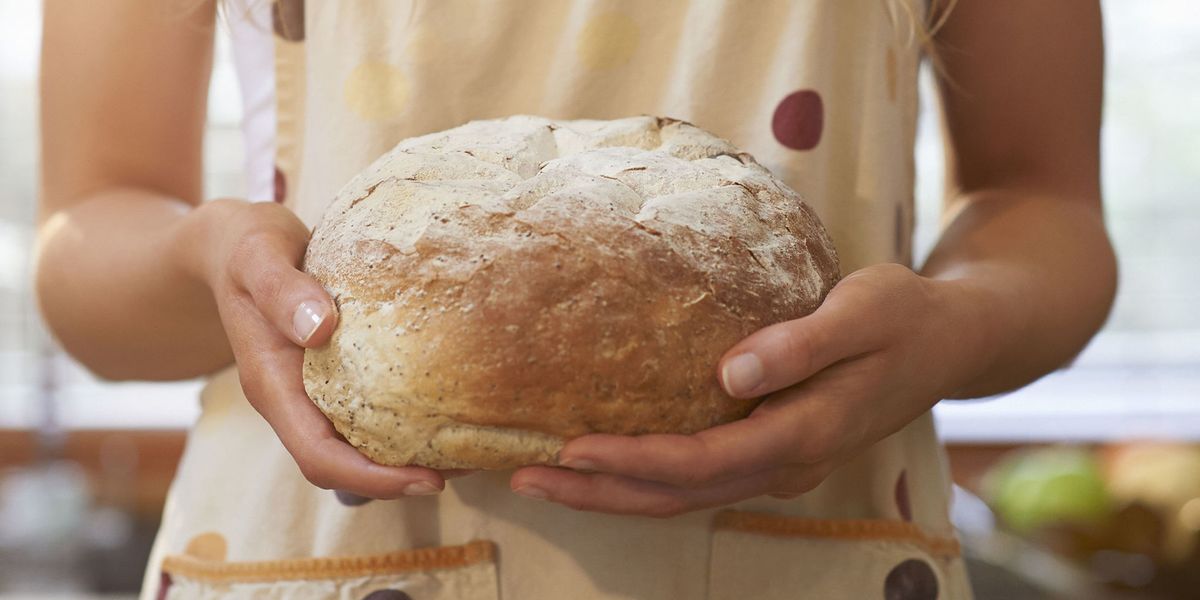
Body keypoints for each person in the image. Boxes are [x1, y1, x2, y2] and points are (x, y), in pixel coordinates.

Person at [35, 0, 1114, 598]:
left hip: (818, 552)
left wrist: (960, 325)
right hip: (328, 554)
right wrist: (208, 259)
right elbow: (89, 239)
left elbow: (1044, 205)